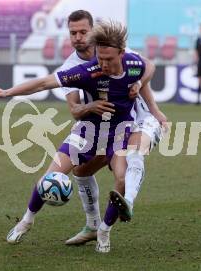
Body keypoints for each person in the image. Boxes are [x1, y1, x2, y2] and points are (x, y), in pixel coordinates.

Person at [0, 20, 156, 253]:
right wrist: (6, 92)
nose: (103, 63)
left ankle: (104, 230)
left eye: (109, 59)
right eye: (99, 57)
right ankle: (26, 220)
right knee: (49, 176)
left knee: (122, 181)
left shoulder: (133, 64)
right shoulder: (87, 72)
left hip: (119, 135)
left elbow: (149, 66)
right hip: (88, 133)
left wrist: (139, 82)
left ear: (122, 53)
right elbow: (44, 83)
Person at [58, 10, 167, 247]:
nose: (78, 37)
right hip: (107, 128)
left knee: (130, 162)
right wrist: (90, 108)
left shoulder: (118, 51)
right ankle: (92, 226)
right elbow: (74, 109)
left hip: (139, 121)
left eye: (83, 32)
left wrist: (151, 103)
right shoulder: (74, 67)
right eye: (73, 33)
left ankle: (117, 215)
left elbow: (146, 67)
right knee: (81, 172)